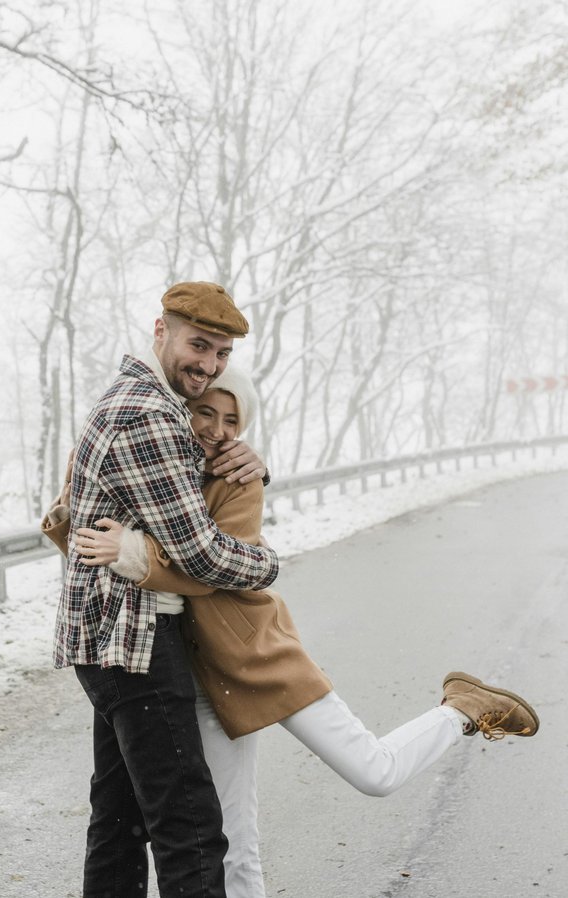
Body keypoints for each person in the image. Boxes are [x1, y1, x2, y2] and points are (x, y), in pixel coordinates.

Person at [48, 366, 540, 898]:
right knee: (231, 840)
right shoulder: (155, 471)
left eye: (232, 420)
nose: (217, 429)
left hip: (257, 656)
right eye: (205, 412)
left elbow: (210, 571)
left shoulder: (238, 481)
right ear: (181, 413)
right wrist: (81, 490)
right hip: (199, 678)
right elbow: (81, 538)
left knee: (374, 772)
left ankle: (460, 708)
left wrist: (135, 554)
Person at [51, 282, 280, 898]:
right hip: (135, 640)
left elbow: (178, 492)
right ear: (161, 331)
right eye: (198, 345)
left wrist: (253, 465)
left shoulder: (150, 400)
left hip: (110, 639)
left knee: (120, 822)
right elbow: (200, 552)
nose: (209, 365)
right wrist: (265, 565)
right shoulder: (149, 414)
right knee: (191, 828)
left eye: (222, 353)